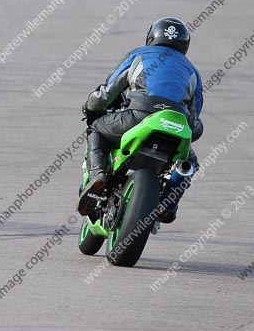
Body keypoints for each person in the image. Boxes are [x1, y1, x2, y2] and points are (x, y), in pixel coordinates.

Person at [77, 17, 204, 222]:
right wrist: (196, 129)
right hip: (176, 125)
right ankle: (169, 202)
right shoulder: (192, 71)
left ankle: (97, 175)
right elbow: (194, 119)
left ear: (151, 37)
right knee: (190, 161)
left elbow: (107, 91)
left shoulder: (140, 54)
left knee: (97, 129)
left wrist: (90, 107)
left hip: (139, 115)